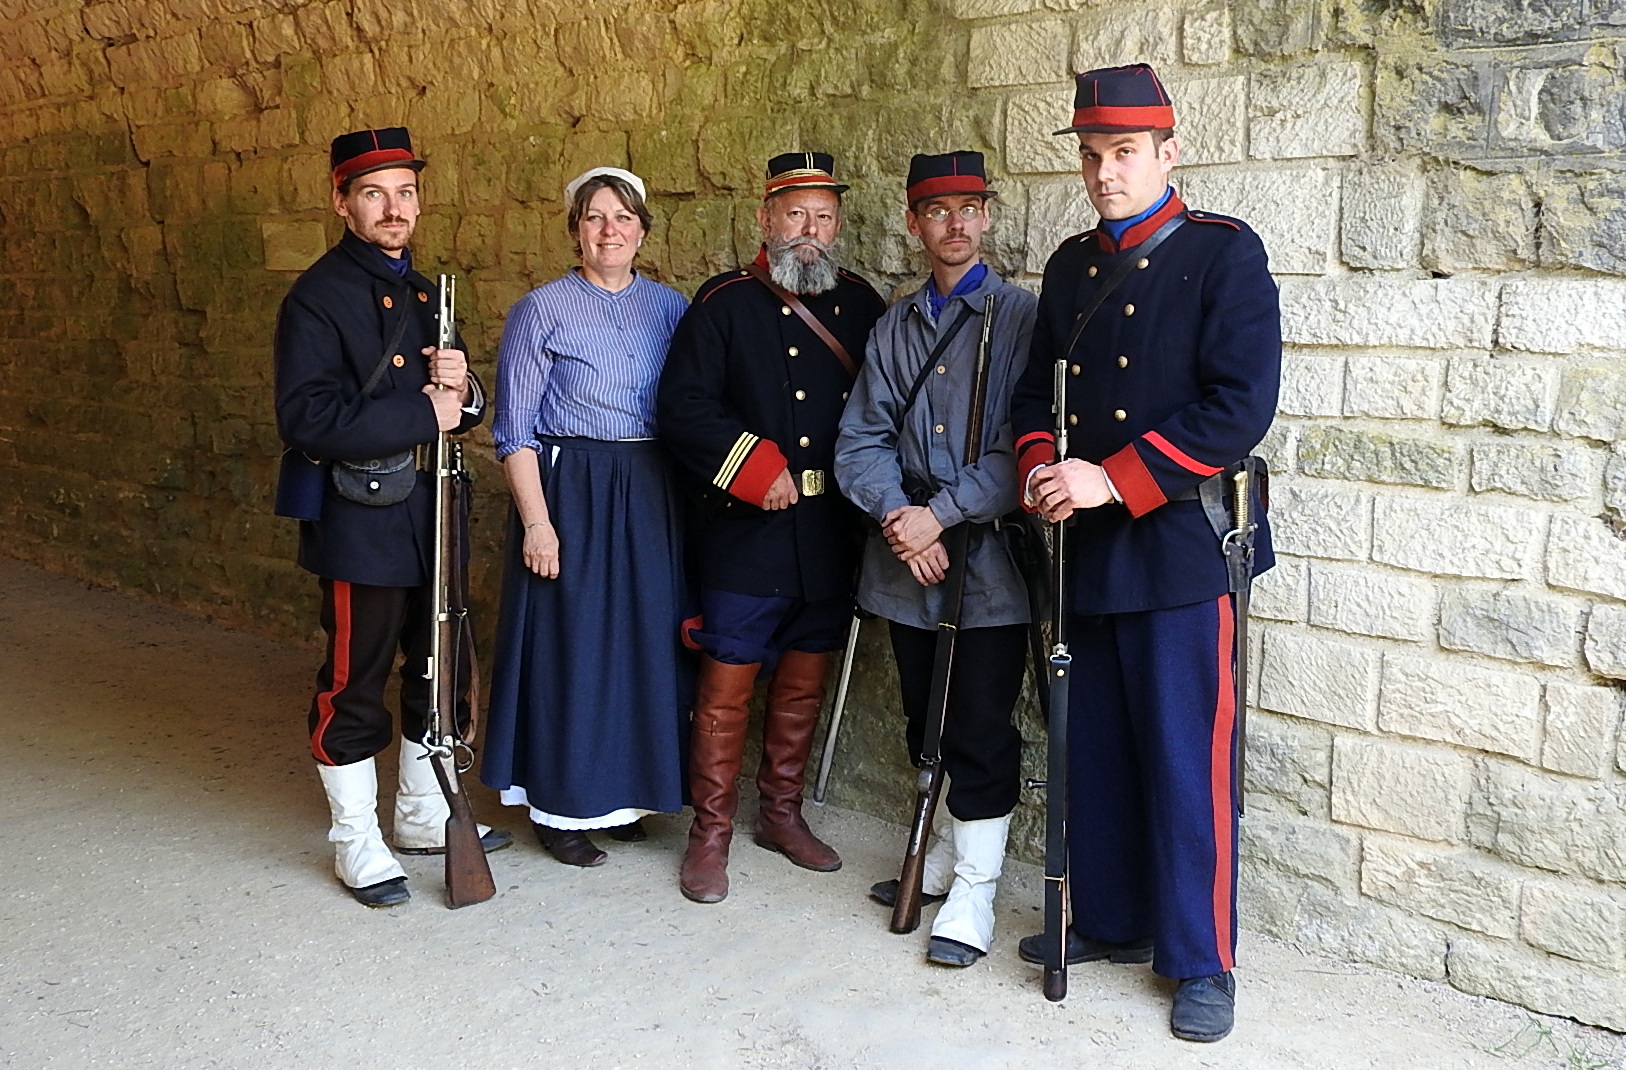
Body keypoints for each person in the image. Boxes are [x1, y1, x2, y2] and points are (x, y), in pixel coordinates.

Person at [1008, 64, 1281, 1041]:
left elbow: (1238, 405)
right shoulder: (1072, 266)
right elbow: (1037, 394)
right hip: (1089, 551)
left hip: (1179, 546)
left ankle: (1203, 958)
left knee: (1184, 761)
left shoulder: (1224, 255)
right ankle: (1115, 922)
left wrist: (1107, 477)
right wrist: (1043, 466)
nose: (1105, 173)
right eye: (1091, 156)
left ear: (1169, 153)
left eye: (1124, 154)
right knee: (1098, 752)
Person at [273, 126, 511, 909]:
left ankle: (417, 814)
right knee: (355, 681)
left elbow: (460, 409)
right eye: (373, 194)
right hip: (360, 518)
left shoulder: (424, 293)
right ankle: (354, 838)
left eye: (404, 193)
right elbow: (307, 418)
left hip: (430, 510)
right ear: (343, 203)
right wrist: (426, 407)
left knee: (435, 667)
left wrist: (464, 385)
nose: (393, 208)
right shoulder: (317, 296)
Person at [657, 152, 886, 904]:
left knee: (802, 681)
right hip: (743, 530)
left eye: (823, 216)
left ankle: (781, 815)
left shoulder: (861, 305)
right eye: (795, 214)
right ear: (765, 218)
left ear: (839, 224)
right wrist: (752, 468)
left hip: (828, 530)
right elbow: (684, 410)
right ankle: (711, 831)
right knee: (726, 687)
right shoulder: (721, 303)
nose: (810, 230)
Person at [833, 151, 1037, 967]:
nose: (954, 224)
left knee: (982, 727)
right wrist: (900, 517)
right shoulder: (893, 326)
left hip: (988, 563)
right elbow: (861, 441)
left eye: (968, 207)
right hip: (904, 562)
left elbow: (1023, 449)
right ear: (914, 224)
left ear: (987, 215)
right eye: (936, 210)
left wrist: (941, 518)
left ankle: (978, 894)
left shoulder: (1024, 320)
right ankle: (947, 857)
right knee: (928, 723)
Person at [479, 167, 691, 867]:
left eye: (623, 218)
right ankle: (562, 804)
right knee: (574, 647)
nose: (609, 231)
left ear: (643, 231)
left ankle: (623, 795)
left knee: (640, 644)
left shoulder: (669, 308)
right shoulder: (541, 310)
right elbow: (514, 430)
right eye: (595, 217)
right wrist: (539, 523)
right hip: (571, 493)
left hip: (650, 488)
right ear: (575, 229)